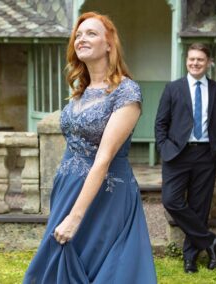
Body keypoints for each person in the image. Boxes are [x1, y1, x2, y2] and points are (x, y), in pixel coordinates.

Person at [24, 12, 157, 284]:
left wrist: (75, 216)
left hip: (106, 195)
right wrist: (65, 200)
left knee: (101, 267)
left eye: (92, 33)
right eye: (79, 35)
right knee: (57, 260)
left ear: (109, 44)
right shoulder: (80, 91)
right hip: (68, 188)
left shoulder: (126, 92)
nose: (82, 38)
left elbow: (103, 158)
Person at [155, 43, 216, 273]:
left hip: (206, 155)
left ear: (208, 63)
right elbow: (161, 123)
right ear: (186, 60)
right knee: (171, 200)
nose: (195, 63)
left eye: (200, 59)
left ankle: (190, 259)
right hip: (177, 154)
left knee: (199, 208)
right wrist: (165, 148)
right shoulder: (173, 88)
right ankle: (210, 241)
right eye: (191, 59)